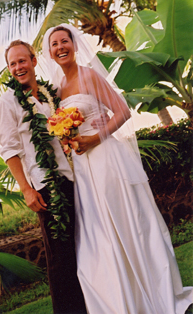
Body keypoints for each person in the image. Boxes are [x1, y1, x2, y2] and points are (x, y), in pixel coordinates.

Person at [41, 24, 193, 314]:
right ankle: (115, 296)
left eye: (65, 41)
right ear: (49, 52)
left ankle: (149, 290)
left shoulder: (89, 75)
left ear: (74, 44)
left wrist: (95, 136)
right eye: (55, 44)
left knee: (126, 223)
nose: (60, 47)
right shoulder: (57, 90)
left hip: (106, 159)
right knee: (97, 233)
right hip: (84, 169)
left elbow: (122, 111)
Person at [0, 40, 87, 314]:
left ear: (34, 61)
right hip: (46, 186)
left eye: (22, 61)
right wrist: (26, 189)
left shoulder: (48, 93)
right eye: (12, 64)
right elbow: (9, 150)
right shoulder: (6, 102)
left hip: (71, 176)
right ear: (9, 69)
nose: (18, 67)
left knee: (81, 248)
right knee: (60, 257)